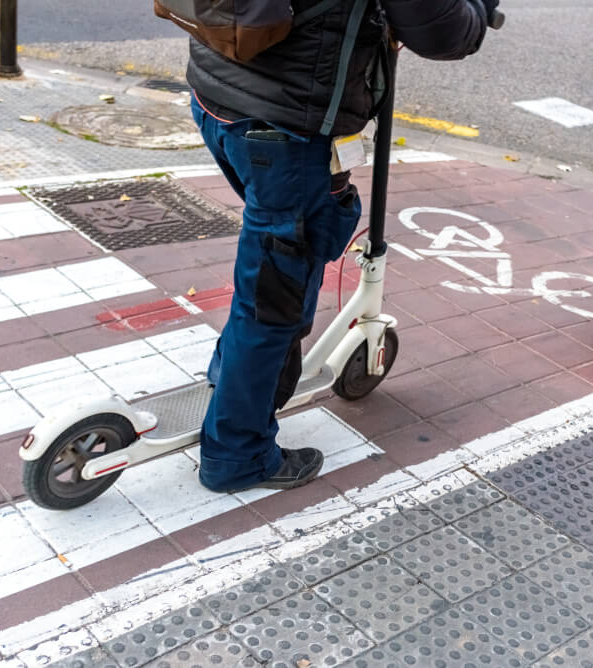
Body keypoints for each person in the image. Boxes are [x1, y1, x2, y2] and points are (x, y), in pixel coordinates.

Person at [186, 0, 499, 493]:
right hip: (286, 127)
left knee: (268, 266)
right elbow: (441, 31)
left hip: (217, 93)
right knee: (275, 297)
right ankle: (237, 454)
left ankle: (229, 373)